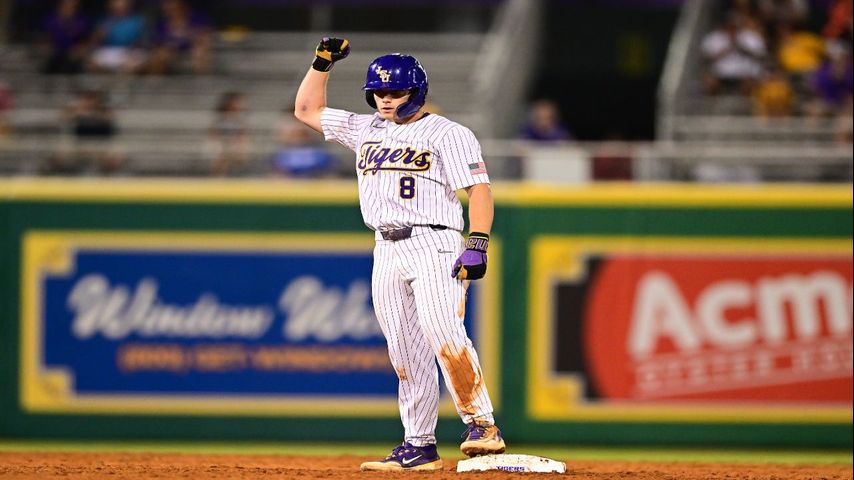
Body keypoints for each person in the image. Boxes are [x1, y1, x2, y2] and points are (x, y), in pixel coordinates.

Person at [294, 38, 504, 472]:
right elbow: (306, 111)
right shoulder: (366, 128)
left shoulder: (449, 133)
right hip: (385, 247)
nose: (386, 99)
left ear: (417, 91)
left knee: (444, 331)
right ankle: (419, 445)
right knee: (405, 352)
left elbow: (479, 190)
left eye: (396, 92)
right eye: (380, 93)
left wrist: (477, 241)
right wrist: (321, 64)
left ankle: (482, 424)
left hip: (435, 241)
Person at [701, 12, 768, 95]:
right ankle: (711, 105)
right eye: (730, 25)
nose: (732, 28)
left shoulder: (751, 36)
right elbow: (707, 58)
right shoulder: (714, 37)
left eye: (734, 26)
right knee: (710, 82)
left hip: (745, 72)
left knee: (749, 83)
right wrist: (727, 48)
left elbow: (761, 56)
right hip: (722, 72)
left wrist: (742, 48)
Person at [146, 0, 212, 75]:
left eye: (171, 3)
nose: (167, 7)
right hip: (170, 50)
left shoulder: (198, 18)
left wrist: (185, 36)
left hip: (192, 47)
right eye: (166, 4)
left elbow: (202, 35)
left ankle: (203, 80)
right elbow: (158, 41)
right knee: (161, 54)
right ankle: (153, 81)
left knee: (200, 50)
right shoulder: (162, 23)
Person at [270, 108, 337, 178]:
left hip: (314, 178)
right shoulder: (282, 153)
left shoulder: (319, 152)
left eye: (299, 134)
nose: (297, 135)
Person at [87, 0, 148, 74]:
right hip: (109, 51)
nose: (118, 5)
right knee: (92, 61)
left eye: (121, 2)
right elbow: (94, 42)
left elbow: (142, 41)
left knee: (138, 60)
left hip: (130, 52)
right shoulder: (105, 21)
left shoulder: (137, 21)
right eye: (115, 2)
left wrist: (135, 46)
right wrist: (100, 35)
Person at [39, 0, 92, 75]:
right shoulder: (50, 19)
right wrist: (46, 46)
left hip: (73, 54)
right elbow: (44, 37)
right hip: (55, 53)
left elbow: (87, 39)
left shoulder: (83, 20)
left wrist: (82, 48)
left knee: (73, 63)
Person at [206, 91, 251, 176]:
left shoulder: (240, 118)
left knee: (240, 149)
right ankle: (217, 177)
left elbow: (242, 133)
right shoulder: (220, 116)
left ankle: (235, 176)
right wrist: (223, 144)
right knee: (218, 152)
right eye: (237, 102)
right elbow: (213, 132)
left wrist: (236, 143)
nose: (240, 105)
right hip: (220, 141)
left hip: (234, 142)